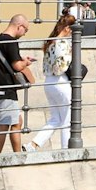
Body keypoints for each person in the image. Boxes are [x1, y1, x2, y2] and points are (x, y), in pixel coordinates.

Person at [0, 14, 34, 155]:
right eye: (26, 30)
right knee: (4, 124)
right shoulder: (11, 41)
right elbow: (17, 66)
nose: (24, 34)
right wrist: (26, 62)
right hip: (5, 88)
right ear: (20, 26)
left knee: (16, 121)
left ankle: (17, 154)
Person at [32, 12, 78, 149]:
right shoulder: (63, 42)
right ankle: (66, 150)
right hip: (60, 82)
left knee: (55, 118)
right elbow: (61, 67)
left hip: (49, 82)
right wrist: (71, 55)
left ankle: (33, 144)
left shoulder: (50, 42)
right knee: (67, 119)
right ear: (68, 28)